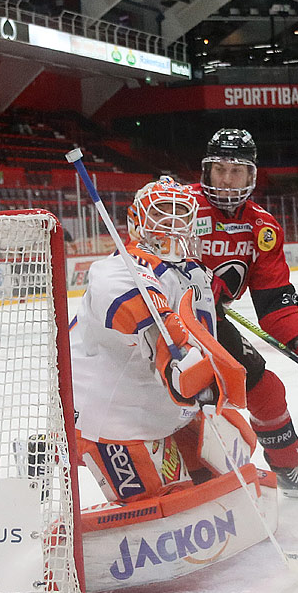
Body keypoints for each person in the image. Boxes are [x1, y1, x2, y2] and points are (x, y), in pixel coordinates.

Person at [70, 178, 257, 504]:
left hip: (166, 409)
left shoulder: (193, 273)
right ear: (136, 223)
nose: (172, 221)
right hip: (116, 418)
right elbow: (125, 294)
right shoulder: (123, 265)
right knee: (166, 500)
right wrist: (169, 352)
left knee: (233, 450)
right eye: (161, 212)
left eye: (180, 212)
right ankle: (53, 448)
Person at [189, 128, 298, 500]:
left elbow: (276, 303)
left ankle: (287, 469)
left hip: (211, 324)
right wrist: (185, 281)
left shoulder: (263, 227)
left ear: (251, 176)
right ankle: (191, 480)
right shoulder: (180, 207)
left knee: (267, 389)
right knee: (191, 396)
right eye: (220, 169)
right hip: (160, 322)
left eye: (236, 171)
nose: (226, 179)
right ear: (207, 170)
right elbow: (139, 262)